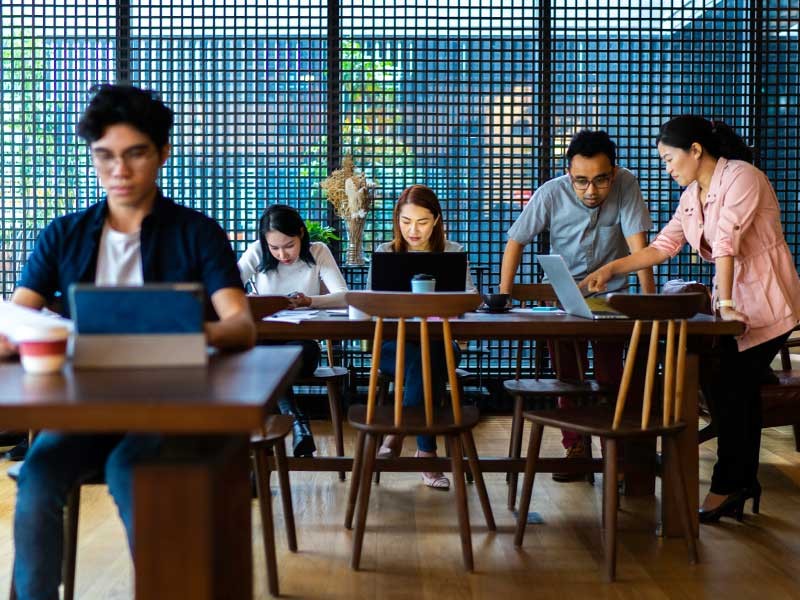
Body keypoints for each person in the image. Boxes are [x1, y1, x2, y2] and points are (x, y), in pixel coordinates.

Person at [0, 84, 256, 600]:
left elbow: (240, 325)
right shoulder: (64, 234)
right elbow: (18, 317)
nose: (118, 170)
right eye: (105, 156)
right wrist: (19, 336)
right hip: (81, 410)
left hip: (166, 409)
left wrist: (175, 332)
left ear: (162, 153)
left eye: (135, 154)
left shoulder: (196, 233)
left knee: (130, 470)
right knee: (40, 477)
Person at [581, 116, 800, 522]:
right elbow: (664, 246)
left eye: (668, 158)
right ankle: (741, 483)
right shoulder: (692, 196)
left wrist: (728, 300)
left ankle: (727, 485)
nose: (666, 167)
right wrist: (612, 269)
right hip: (734, 309)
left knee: (730, 385)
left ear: (696, 150)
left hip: (768, 303)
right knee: (735, 390)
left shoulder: (742, 177)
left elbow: (726, 242)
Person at [500, 129, 656, 480]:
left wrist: (649, 303)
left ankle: (613, 449)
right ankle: (576, 447)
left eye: (600, 180)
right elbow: (515, 240)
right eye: (581, 180)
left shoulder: (627, 185)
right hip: (564, 298)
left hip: (613, 298)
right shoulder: (551, 192)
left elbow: (639, 249)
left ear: (613, 173)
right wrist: (504, 296)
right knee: (568, 377)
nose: (590, 190)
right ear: (568, 173)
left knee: (611, 375)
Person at [368, 184, 476, 490]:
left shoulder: (452, 253)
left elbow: (469, 298)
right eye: (405, 222)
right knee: (424, 360)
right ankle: (427, 451)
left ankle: (398, 432)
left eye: (422, 222)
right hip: (392, 347)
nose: (412, 230)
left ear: (437, 221)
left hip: (441, 343)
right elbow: (372, 304)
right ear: (396, 220)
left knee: (429, 354)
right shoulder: (386, 253)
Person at [238, 204, 348, 456]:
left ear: (301, 234)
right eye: (274, 248)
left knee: (266, 364)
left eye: (289, 245)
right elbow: (229, 288)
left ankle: (271, 444)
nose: (282, 254)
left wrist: (310, 301)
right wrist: (252, 300)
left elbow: (344, 297)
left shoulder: (318, 251)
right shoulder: (257, 251)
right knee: (261, 358)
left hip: (303, 346)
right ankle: (298, 423)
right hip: (266, 344)